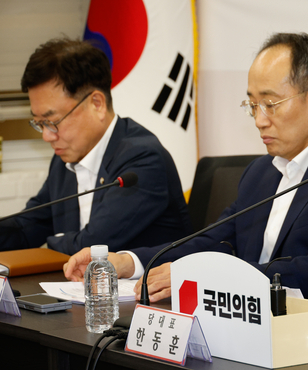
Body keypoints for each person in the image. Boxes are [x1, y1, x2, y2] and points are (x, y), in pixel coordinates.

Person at [64, 32, 308, 301]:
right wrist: (130, 262)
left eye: (270, 104)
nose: (260, 119)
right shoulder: (260, 172)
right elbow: (213, 241)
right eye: (252, 105)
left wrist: (208, 277)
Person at [0, 38, 192, 255]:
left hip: (145, 288)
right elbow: (28, 227)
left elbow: (93, 246)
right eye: (39, 123)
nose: (47, 136)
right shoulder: (65, 158)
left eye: (52, 121)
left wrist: (52, 243)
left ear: (97, 104)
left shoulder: (143, 159)